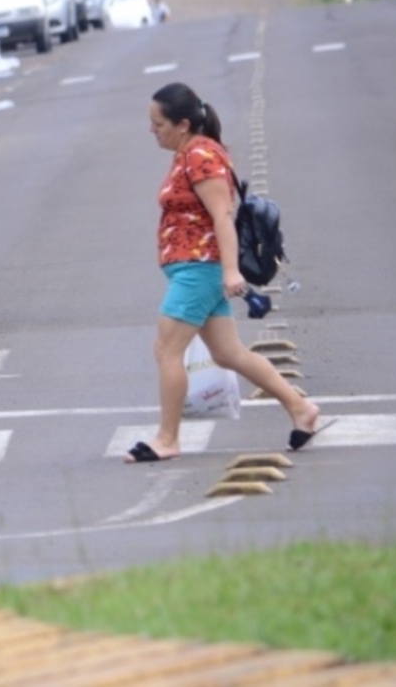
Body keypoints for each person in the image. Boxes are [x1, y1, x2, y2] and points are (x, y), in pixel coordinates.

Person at [126, 82, 322, 464]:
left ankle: (168, 438)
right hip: (194, 267)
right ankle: (301, 409)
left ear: (182, 124)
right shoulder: (189, 152)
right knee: (228, 352)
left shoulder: (201, 156)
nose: (152, 130)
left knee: (167, 350)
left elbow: (222, 216)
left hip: (199, 269)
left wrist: (231, 271)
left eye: (158, 123)